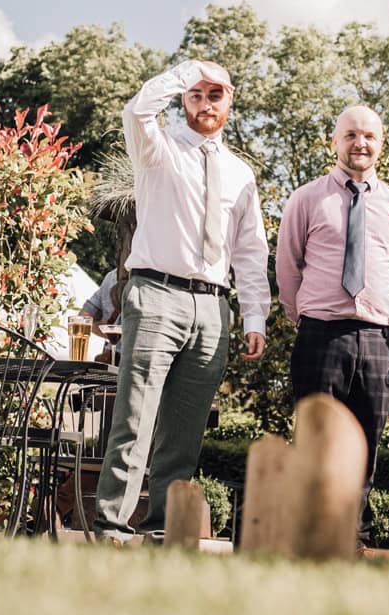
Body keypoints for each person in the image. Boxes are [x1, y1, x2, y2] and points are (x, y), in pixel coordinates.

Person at [93, 59, 269, 542]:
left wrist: (254, 316)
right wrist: (186, 72)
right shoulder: (158, 149)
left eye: (216, 94)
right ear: (184, 100)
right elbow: (136, 111)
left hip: (213, 307)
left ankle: (162, 530)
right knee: (134, 417)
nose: (206, 102)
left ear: (230, 102)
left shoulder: (240, 174)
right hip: (155, 295)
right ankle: (110, 526)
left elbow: (252, 251)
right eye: (197, 94)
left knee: (185, 429)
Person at [275, 105, 389, 548]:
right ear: (334, 141)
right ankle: (308, 529)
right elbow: (287, 265)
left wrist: (373, 309)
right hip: (321, 333)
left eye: (370, 136)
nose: (361, 144)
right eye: (351, 135)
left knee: (366, 440)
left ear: (380, 143)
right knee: (315, 438)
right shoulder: (307, 198)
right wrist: (305, 315)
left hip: (376, 336)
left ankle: (349, 535)